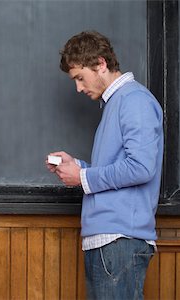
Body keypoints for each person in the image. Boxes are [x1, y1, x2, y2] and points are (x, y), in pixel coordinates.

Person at [46, 31, 163, 299]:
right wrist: (78, 167)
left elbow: (141, 167)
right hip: (109, 239)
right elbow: (119, 167)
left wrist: (83, 177)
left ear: (100, 64)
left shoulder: (134, 100)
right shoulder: (115, 103)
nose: (78, 87)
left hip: (119, 239)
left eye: (79, 77)